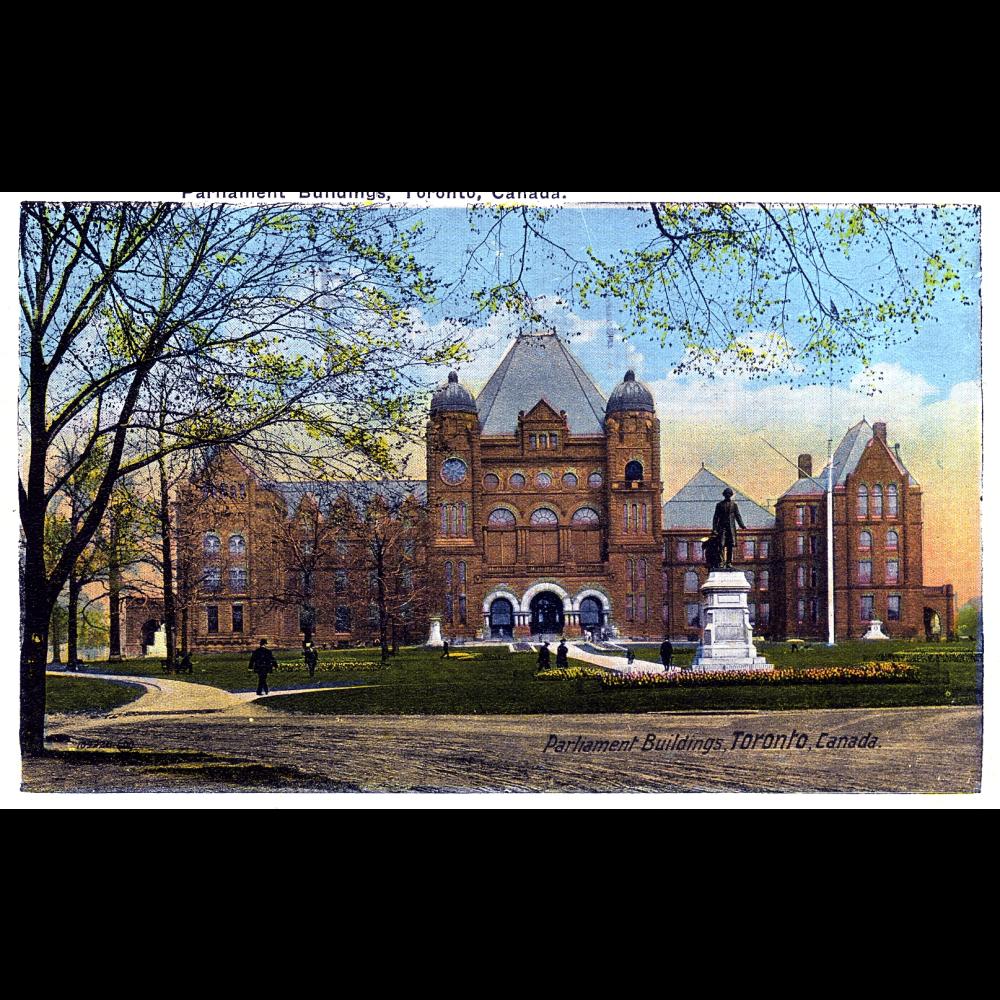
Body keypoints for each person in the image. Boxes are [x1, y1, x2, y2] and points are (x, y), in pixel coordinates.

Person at [712, 488, 746, 569]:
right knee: (721, 545)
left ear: (731, 495)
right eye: (726, 494)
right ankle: (721, 562)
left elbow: (738, 516)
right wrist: (714, 528)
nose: (728, 495)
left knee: (730, 546)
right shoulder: (719, 505)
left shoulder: (734, 505)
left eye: (729, 494)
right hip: (722, 527)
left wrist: (742, 525)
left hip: (731, 528)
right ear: (724, 495)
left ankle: (729, 562)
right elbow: (715, 517)